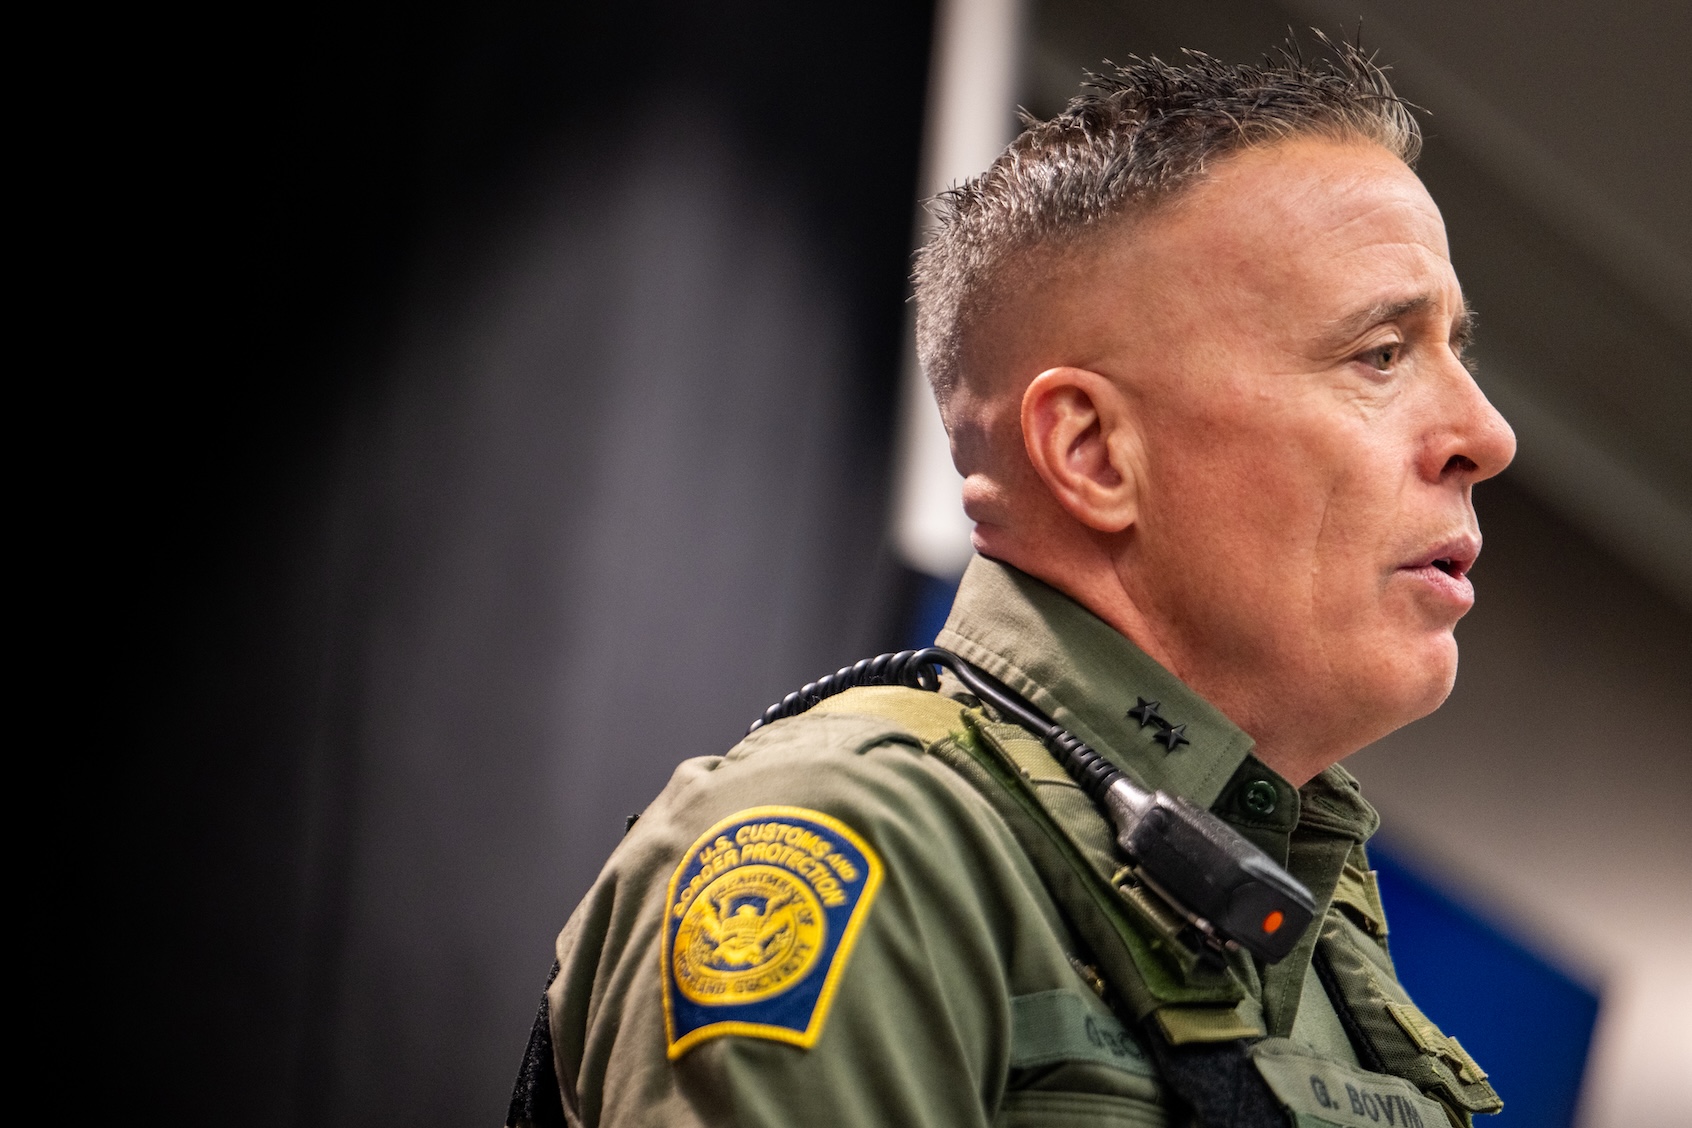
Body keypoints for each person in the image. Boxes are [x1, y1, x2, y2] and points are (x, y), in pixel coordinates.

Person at [507, 42, 1515, 1128]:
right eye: (1380, 353)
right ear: (1092, 454)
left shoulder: (1317, 938)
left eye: (1453, 351)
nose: (1487, 435)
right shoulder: (867, 846)